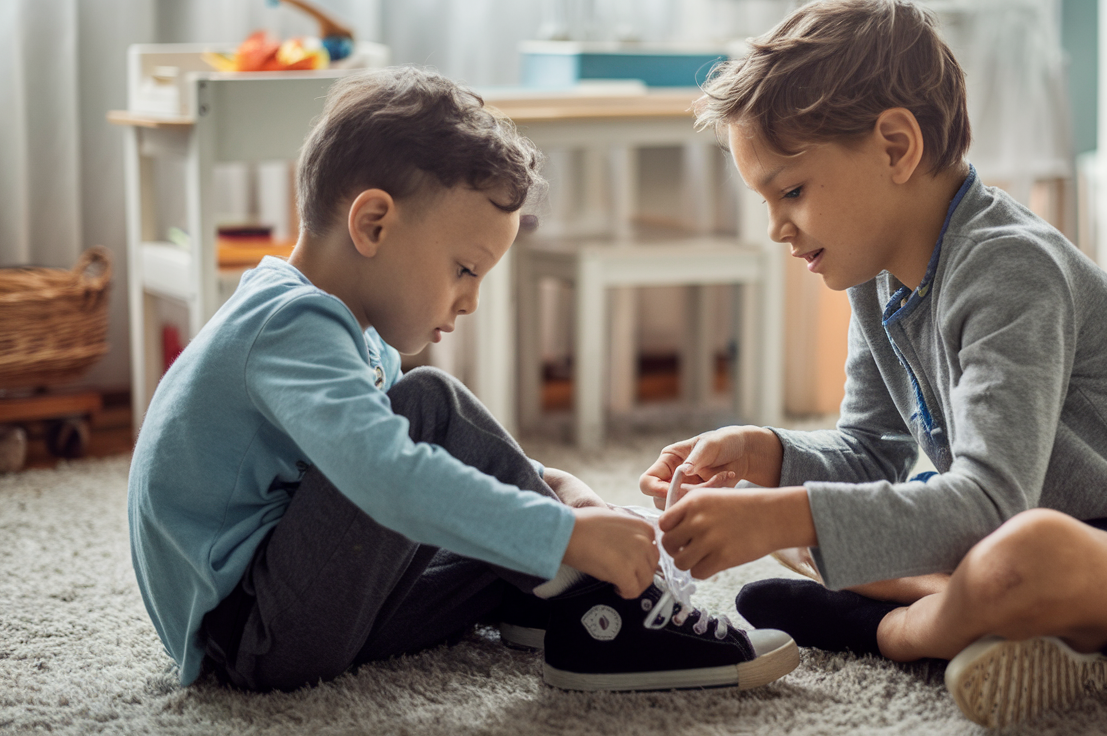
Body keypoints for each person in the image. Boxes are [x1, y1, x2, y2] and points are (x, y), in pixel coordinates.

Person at [638, 0, 1107, 726]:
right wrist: (765, 457)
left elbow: (992, 503)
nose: (776, 228)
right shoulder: (875, 274)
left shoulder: (1010, 269)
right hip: (1000, 530)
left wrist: (783, 516)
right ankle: (977, 614)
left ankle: (901, 629)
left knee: (1023, 551)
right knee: (819, 535)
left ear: (896, 147)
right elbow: (871, 454)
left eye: (791, 191)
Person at [127, 66, 797, 694]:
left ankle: (565, 608)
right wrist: (563, 535)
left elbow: (432, 479)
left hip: (283, 617)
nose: (470, 300)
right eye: (464, 270)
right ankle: (604, 617)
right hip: (255, 635)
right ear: (373, 223)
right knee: (427, 404)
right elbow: (389, 476)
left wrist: (562, 495)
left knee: (484, 528)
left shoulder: (339, 324)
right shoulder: (290, 324)